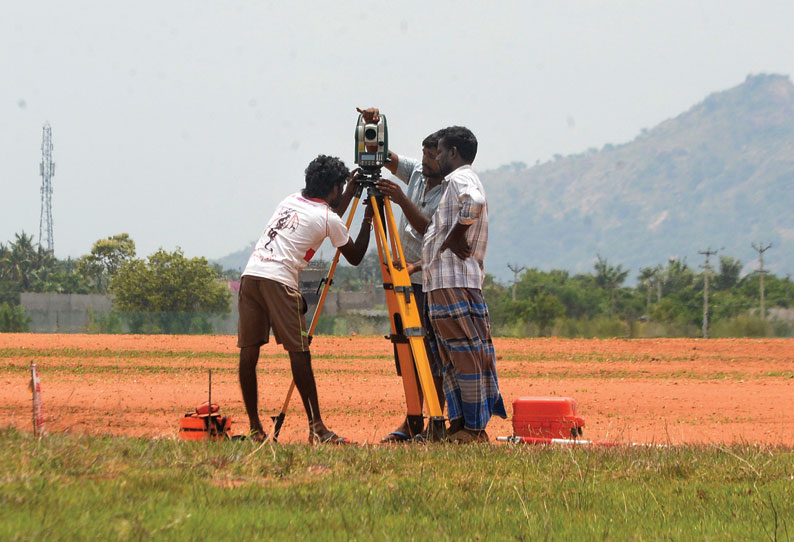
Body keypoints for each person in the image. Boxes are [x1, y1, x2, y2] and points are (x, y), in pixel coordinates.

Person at [237, 155, 373, 444]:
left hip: (251, 275)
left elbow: (330, 214)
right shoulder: (327, 218)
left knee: (249, 353)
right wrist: (369, 218)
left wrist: (349, 189)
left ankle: (254, 428)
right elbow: (356, 254)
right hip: (279, 281)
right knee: (299, 353)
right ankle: (318, 428)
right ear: (334, 188)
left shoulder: (290, 200)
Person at [355, 108, 447, 442]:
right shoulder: (419, 174)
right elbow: (386, 158)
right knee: (406, 350)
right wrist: (373, 125)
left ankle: (436, 419)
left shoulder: (449, 190)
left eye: (431, 156)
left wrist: (401, 200)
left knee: (429, 353)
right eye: (422, 154)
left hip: (427, 280)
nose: (423, 161)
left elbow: (429, 232)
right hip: (403, 279)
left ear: (446, 158)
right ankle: (413, 417)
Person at [422, 126, 507, 442]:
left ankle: (472, 427)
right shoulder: (456, 181)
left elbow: (475, 202)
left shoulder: (460, 178)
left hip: (454, 283)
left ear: (453, 153)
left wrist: (455, 235)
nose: (437, 157)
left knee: (463, 355)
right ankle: (459, 427)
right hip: (445, 283)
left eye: (440, 151)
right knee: (450, 356)